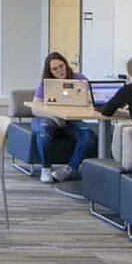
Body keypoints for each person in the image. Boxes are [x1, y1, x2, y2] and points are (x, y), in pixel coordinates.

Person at [31, 52, 96, 183]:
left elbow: (91, 100)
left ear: (65, 65)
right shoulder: (46, 84)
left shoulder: (79, 78)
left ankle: (69, 169)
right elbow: (35, 108)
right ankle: (46, 168)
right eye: (55, 69)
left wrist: (85, 90)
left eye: (61, 66)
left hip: (72, 120)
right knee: (44, 131)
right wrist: (54, 117)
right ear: (50, 71)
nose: (59, 70)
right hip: (50, 119)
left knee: (88, 134)